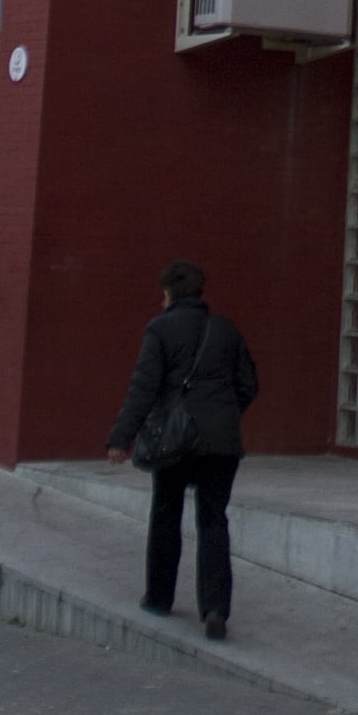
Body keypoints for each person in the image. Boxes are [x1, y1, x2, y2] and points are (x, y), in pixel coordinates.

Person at [105, 259, 257, 640]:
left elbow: (143, 388)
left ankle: (159, 596)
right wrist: (223, 414)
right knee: (213, 521)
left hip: (175, 441)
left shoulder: (159, 330)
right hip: (221, 443)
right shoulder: (226, 330)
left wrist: (120, 438)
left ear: (169, 293)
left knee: (166, 514)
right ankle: (215, 608)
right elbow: (248, 384)